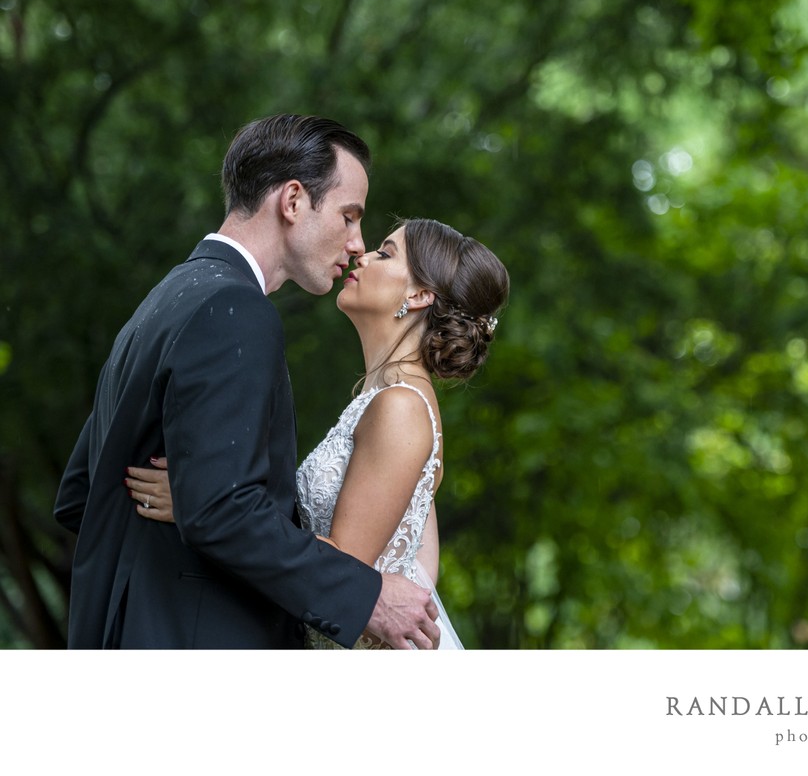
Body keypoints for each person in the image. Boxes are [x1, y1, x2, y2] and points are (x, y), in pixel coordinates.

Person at [54, 114, 440, 650]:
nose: (357, 243)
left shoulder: (164, 299)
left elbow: (81, 494)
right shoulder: (235, 308)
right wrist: (366, 595)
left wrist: (193, 504)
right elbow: (221, 510)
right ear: (293, 201)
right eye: (349, 217)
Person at [127, 218, 510, 648]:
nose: (362, 255)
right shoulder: (387, 399)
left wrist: (205, 502)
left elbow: (343, 569)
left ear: (420, 295)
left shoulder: (401, 408)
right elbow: (423, 568)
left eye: (385, 253)